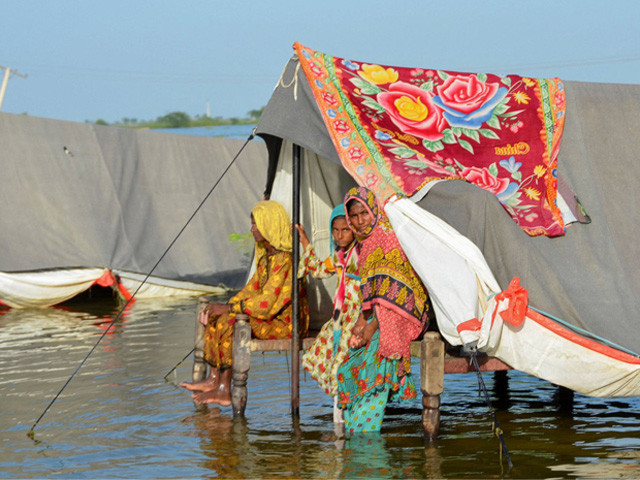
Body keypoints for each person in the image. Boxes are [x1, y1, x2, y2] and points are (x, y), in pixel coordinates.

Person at [180, 200, 309, 405]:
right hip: (269, 320)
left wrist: (230, 308)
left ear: (270, 224)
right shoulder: (267, 258)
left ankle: (225, 389)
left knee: (228, 323)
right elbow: (251, 290)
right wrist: (222, 306)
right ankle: (214, 380)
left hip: (286, 325)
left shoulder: (286, 260)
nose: (252, 229)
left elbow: (266, 305)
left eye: (256, 224)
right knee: (218, 318)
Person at [337, 186, 430, 435]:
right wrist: (361, 321)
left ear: (373, 209)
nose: (359, 221)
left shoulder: (388, 234)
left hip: (406, 310)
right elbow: (372, 292)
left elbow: (394, 291)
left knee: (376, 361)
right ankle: (357, 427)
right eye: (353, 216)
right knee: (348, 365)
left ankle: (365, 431)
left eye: (363, 214)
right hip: (380, 313)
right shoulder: (363, 243)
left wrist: (368, 328)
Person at [296, 204, 361, 426]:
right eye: (336, 230)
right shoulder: (339, 256)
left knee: (341, 358)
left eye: (345, 230)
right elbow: (318, 270)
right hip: (341, 316)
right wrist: (305, 241)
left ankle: (341, 408)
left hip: (358, 315)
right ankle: (340, 407)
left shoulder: (360, 254)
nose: (340, 235)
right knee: (326, 348)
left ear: (354, 229)